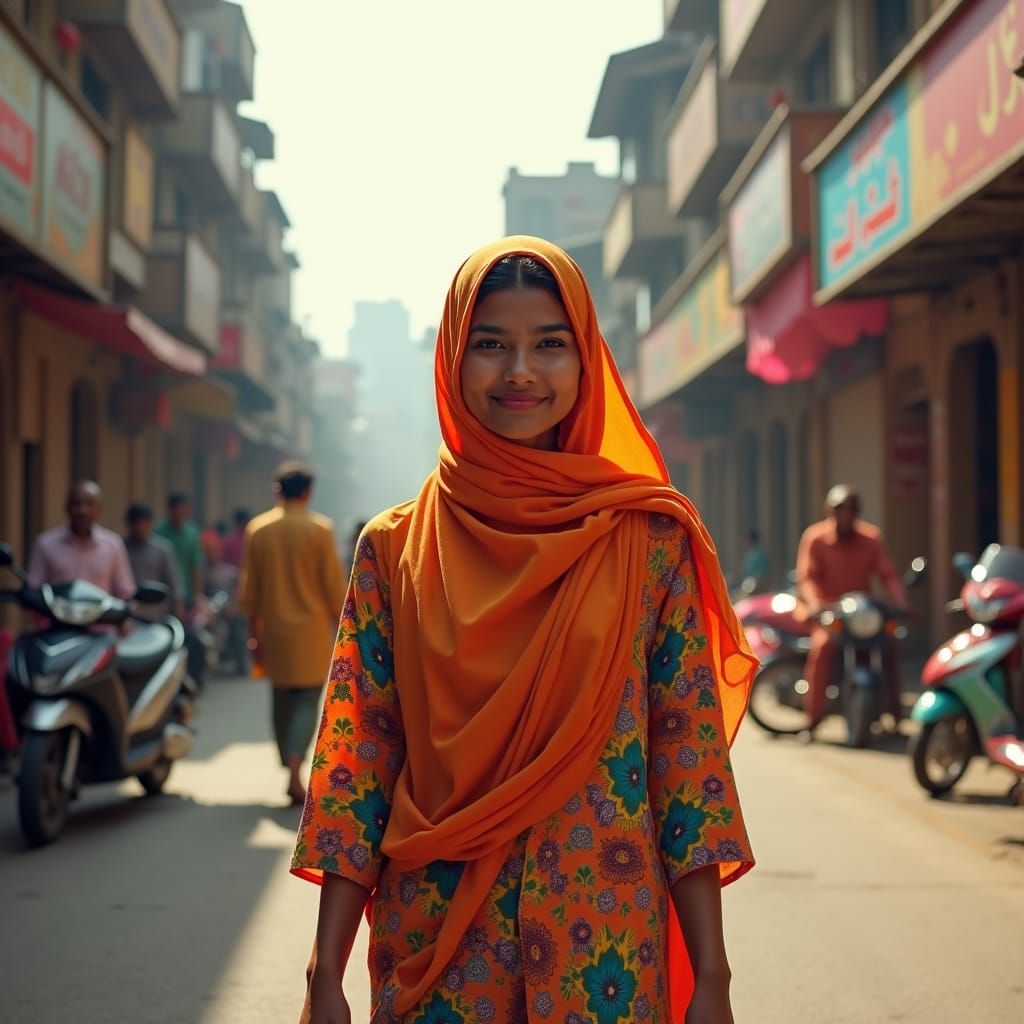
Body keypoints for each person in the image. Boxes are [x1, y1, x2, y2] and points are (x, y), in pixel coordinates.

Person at [295, 238, 757, 1024]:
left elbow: (687, 760)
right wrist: (321, 972)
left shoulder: (648, 542)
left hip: (604, 947)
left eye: (550, 344)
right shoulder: (395, 549)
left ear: (586, 362)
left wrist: (713, 972)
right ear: (451, 358)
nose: (520, 372)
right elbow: (358, 760)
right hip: (437, 949)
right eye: (490, 345)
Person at [240, 462, 345, 805]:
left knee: (281, 700)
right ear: (308, 492)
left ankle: (289, 762)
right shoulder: (320, 530)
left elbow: (250, 591)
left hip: (274, 632)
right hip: (312, 634)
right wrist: (345, 630)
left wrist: (253, 634)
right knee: (306, 701)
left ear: (277, 491)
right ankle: (295, 768)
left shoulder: (258, 529)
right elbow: (333, 589)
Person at [796, 484, 908, 735]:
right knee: (823, 649)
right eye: (839, 510)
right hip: (831, 615)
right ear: (829, 512)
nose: (844, 516)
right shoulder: (815, 538)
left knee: (890, 645)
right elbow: (808, 577)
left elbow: (888, 575)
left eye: (849, 510)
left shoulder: (871, 538)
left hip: (862, 613)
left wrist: (900, 602)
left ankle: (896, 714)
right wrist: (815, 604)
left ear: (857, 513)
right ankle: (812, 719)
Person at [28, 481, 135, 599]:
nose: (83, 510)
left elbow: (125, 592)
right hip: (57, 616)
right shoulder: (45, 544)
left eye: (89, 504)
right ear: (67, 507)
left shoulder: (113, 544)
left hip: (101, 616)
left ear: (99, 509)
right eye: (77, 503)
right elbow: (34, 591)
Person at [157, 494, 206, 687]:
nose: (180, 512)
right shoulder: (159, 532)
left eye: (183, 508)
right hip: (162, 597)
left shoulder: (191, 534)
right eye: (177, 508)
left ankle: (192, 678)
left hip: (186, 596)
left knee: (190, 637)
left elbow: (197, 568)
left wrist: (197, 597)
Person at [123, 503, 185, 620]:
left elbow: (174, 583)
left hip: (156, 615)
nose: (140, 527)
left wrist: (178, 611)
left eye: (144, 522)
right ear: (129, 523)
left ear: (150, 523)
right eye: (136, 522)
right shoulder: (121, 548)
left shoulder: (163, 549)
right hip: (128, 616)